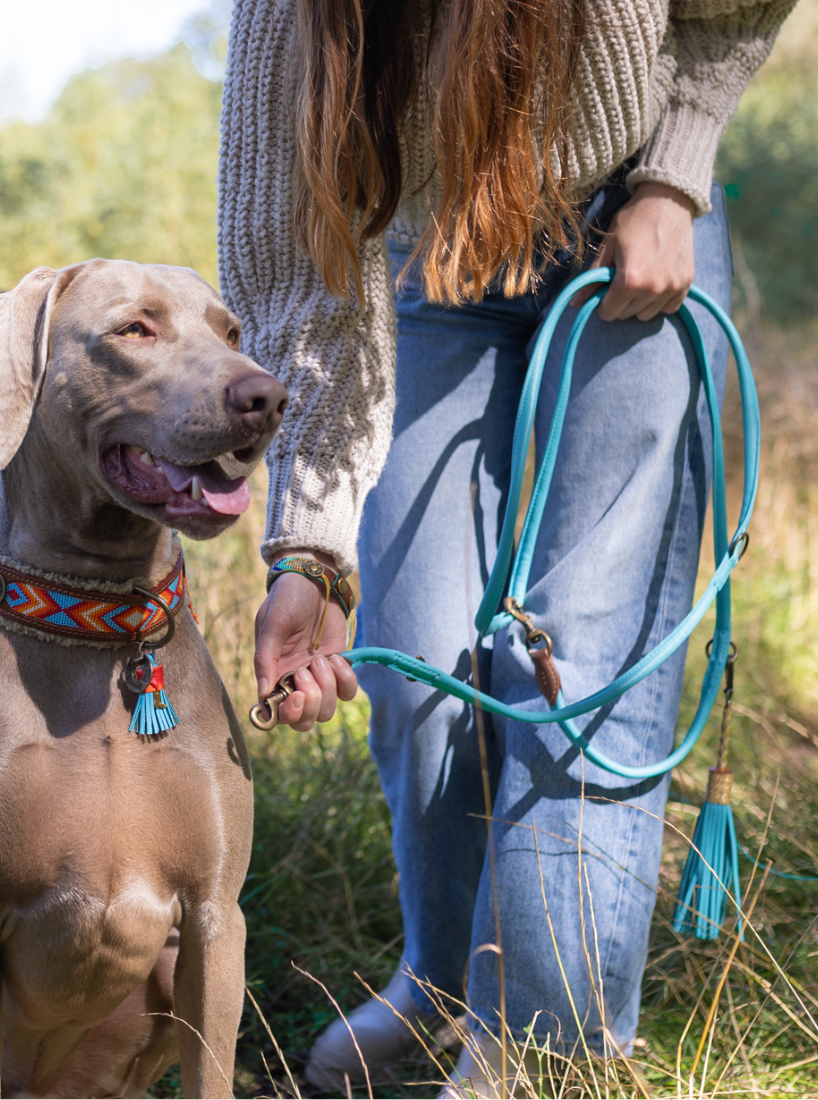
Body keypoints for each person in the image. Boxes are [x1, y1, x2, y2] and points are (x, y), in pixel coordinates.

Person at [218, 0, 793, 1094]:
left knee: (577, 661)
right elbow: (303, 283)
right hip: (423, 250)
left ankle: (535, 1047)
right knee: (419, 662)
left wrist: (672, 174)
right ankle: (446, 984)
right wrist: (310, 550)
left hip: (631, 218)